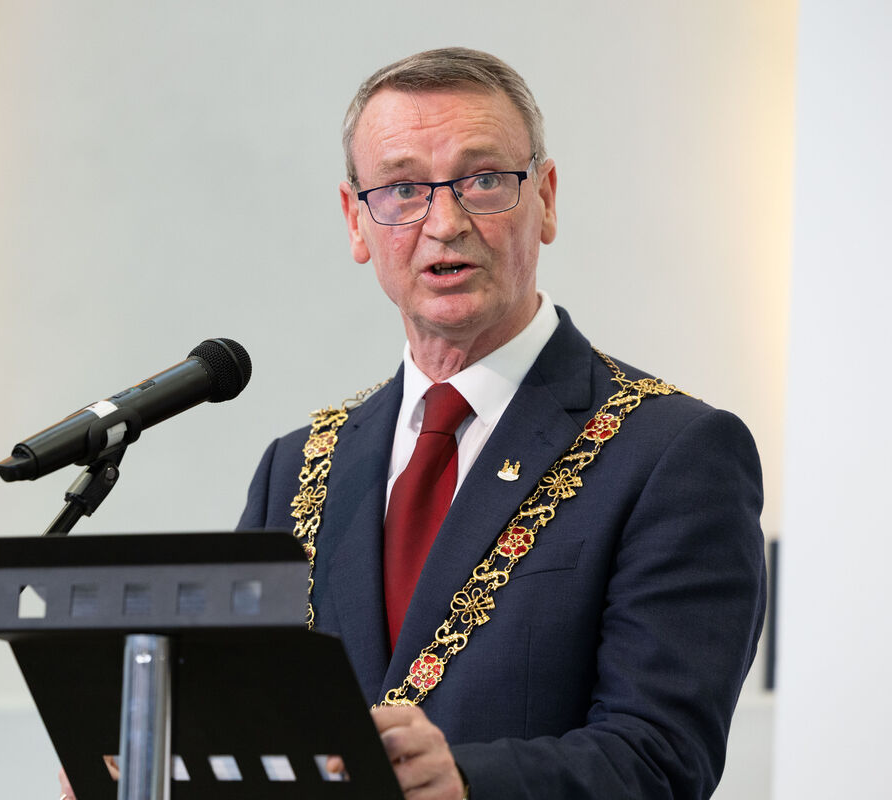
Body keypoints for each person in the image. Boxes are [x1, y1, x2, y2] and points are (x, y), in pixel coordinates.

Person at [237, 47, 765, 800]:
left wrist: (464, 782)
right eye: (403, 189)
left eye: (484, 180)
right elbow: (244, 721)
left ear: (545, 199)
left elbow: (660, 759)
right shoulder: (295, 471)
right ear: (357, 222)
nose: (445, 223)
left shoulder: (671, 453)